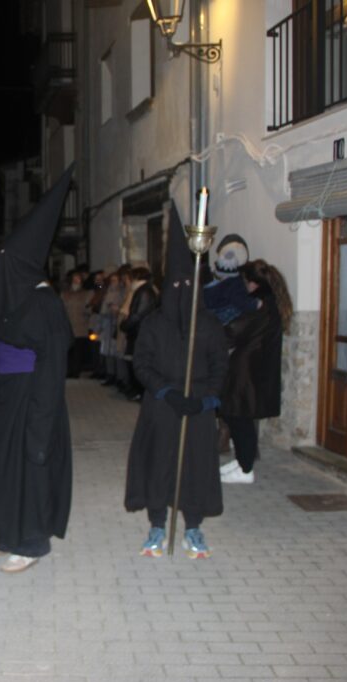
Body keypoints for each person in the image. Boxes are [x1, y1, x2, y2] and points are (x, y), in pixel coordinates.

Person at [0, 166, 75, 574]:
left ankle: (30, 543)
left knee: (29, 469)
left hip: (33, 399)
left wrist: (40, 423)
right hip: (4, 397)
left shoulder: (43, 303)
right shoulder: (12, 298)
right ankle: (4, 533)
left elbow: (52, 368)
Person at [125, 203, 228, 560]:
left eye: (189, 284)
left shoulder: (210, 325)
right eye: (176, 285)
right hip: (162, 406)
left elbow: (220, 366)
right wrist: (166, 391)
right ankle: (157, 524)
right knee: (159, 464)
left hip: (197, 408)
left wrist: (205, 399)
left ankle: (194, 527)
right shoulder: (154, 324)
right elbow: (141, 364)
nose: (183, 291)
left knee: (195, 467)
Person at [219, 259, 293, 484]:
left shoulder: (262, 305)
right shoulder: (272, 302)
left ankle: (245, 467)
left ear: (253, 283)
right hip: (253, 366)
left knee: (239, 416)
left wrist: (217, 331)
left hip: (247, 369)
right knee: (238, 416)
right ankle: (243, 460)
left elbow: (236, 329)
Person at [118, 266, 158, 401]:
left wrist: (125, 324)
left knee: (138, 363)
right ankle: (134, 389)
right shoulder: (141, 290)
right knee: (131, 361)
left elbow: (138, 314)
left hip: (139, 331)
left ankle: (139, 391)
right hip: (136, 331)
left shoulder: (144, 291)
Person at [61, 270, 91, 379]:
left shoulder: (86, 293)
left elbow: (89, 308)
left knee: (78, 350)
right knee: (69, 350)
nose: (76, 281)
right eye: (74, 278)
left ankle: (76, 371)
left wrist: (87, 310)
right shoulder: (65, 293)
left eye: (78, 278)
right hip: (67, 325)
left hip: (80, 325)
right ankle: (68, 370)